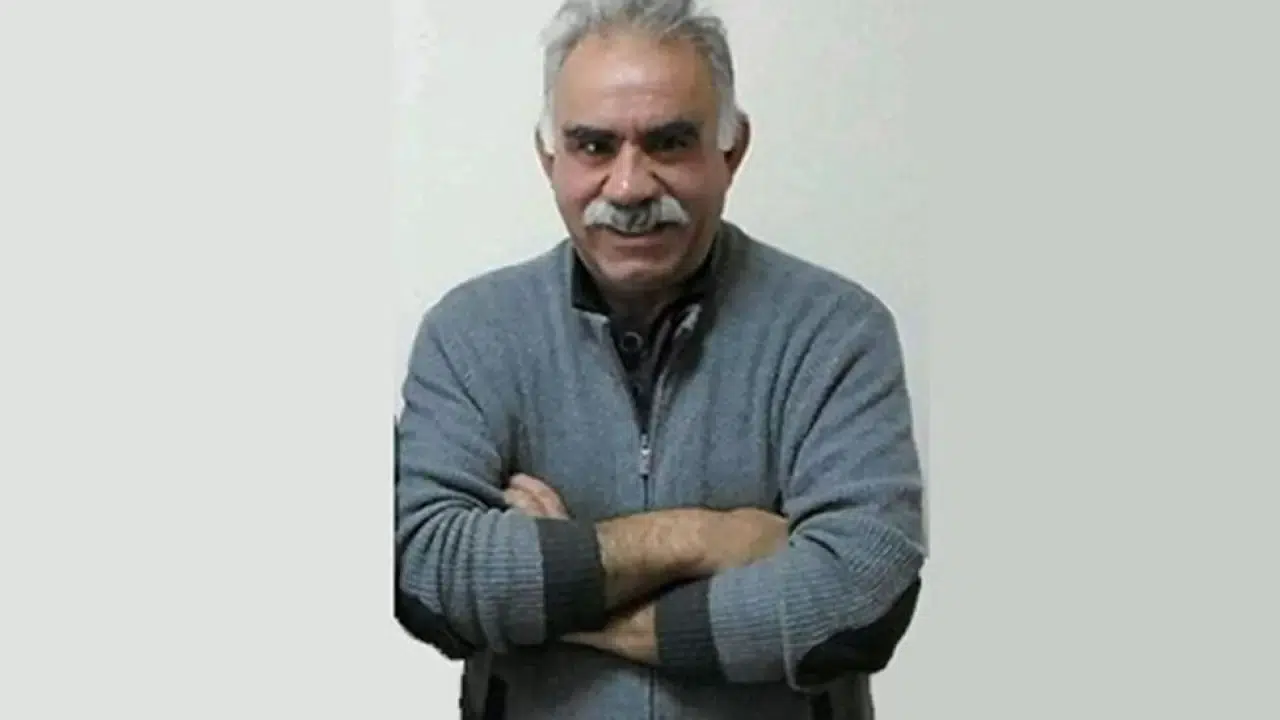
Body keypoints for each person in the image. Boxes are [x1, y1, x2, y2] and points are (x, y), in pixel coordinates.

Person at [393, 1, 927, 718]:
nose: (629, 187)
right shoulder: (469, 334)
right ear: (549, 159)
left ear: (731, 152)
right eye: (593, 146)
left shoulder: (836, 332)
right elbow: (425, 579)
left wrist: (552, 588)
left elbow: (861, 602)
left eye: (670, 143)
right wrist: (706, 540)